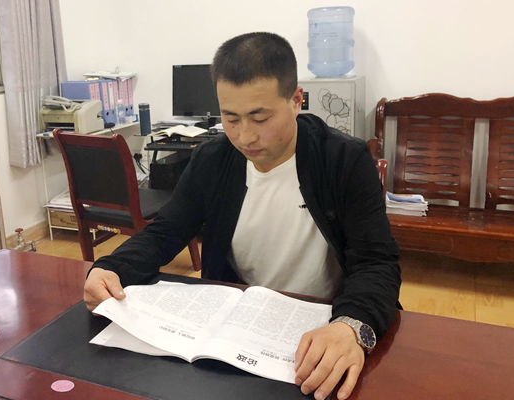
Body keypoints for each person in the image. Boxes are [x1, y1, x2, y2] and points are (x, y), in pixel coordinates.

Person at [84, 32, 401, 400]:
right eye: (230, 118)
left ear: (296, 100)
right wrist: (112, 267)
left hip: (320, 322)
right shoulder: (212, 160)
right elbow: (166, 231)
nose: (245, 136)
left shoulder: (343, 160)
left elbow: (376, 262)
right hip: (236, 327)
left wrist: (351, 326)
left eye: (260, 117)